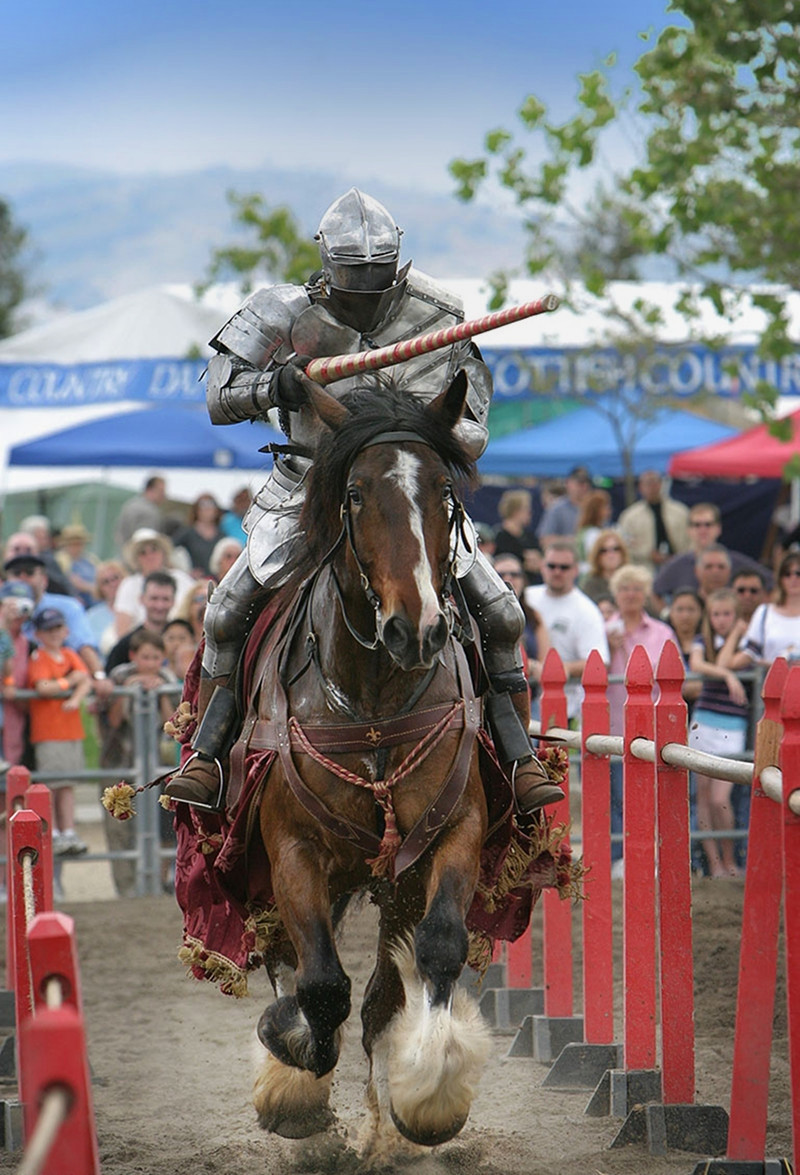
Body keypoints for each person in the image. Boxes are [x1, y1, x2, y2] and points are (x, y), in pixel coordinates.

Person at [165, 187, 561, 815]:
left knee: (501, 613)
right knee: (227, 611)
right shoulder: (279, 310)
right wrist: (276, 383)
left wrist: (413, 430)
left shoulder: (439, 312)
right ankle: (209, 759)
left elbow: (473, 427)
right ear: (329, 267)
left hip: (408, 490)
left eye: (379, 278)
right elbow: (219, 396)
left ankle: (517, 760)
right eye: (356, 279)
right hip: (307, 487)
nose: (368, 293)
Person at [604, 564, 678, 874]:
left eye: (636, 588)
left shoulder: (662, 632)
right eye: (625, 588)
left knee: (650, 796)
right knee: (616, 798)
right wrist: (610, 649)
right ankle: (618, 857)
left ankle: (650, 854)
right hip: (614, 724)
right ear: (616, 594)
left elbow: (674, 672)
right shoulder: (605, 629)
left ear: (646, 593)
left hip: (653, 726)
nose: (631, 594)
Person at [99, 629, 179, 895]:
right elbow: (114, 720)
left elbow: (172, 725)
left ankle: (156, 884)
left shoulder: (168, 679)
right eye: (145, 657)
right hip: (119, 761)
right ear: (133, 656)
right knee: (119, 826)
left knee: (159, 825)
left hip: (157, 766)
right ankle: (127, 889)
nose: (151, 663)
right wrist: (128, 689)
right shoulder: (119, 676)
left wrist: (161, 693)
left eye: (156, 657)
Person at [689, 588, 749, 878]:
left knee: (719, 798)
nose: (721, 620)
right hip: (703, 722)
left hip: (732, 726)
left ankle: (729, 858)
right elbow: (697, 664)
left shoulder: (745, 643)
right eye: (716, 614)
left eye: (727, 614)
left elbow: (725, 661)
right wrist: (726, 675)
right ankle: (714, 864)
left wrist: (735, 634)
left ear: (736, 615)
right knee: (702, 797)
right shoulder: (702, 641)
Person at [26, 607, 92, 857]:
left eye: (58, 628)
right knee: (50, 786)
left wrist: (74, 698)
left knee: (66, 785)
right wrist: (68, 682)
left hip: (69, 730)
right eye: (48, 629)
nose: (54, 633)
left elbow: (84, 679)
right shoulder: (40, 657)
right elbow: (43, 686)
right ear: (39, 634)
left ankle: (68, 831)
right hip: (49, 731)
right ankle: (51, 831)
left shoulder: (69, 654)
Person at [524, 538, 610, 722]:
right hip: (523, 701)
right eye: (551, 566)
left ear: (576, 570)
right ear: (542, 566)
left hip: (566, 707)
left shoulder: (586, 610)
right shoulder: (528, 597)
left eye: (564, 567)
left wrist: (565, 668)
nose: (557, 572)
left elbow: (600, 661)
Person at [3, 553, 111, 695]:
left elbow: (84, 646)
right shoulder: (3, 614)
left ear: (44, 580)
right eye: (16, 573)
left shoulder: (68, 607)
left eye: (29, 572)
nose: (23, 578)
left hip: (52, 692)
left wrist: (99, 676)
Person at [652, 502, 773, 610]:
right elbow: (654, 592)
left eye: (708, 524)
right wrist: (667, 614)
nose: (703, 530)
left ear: (718, 528)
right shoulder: (677, 564)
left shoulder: (737, 561)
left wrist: (760, 613)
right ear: (689, 530)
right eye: (697, 525)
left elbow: (773, 584)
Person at [719, 549, 800, 671]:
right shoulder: (764, 613)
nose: (793, 578)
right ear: (780, 578)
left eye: (798, 573)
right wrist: (736, 632)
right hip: (774, 680)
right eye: (787, 574)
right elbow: (736, 660)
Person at [113, 529, 194, 640]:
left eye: (154, 550)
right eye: (143, 553)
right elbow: (123, 628)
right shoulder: (129, 585)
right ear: (136, 558)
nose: (150, 556)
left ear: (163, 553)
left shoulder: (181, 578)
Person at [493, 553, 551, 707]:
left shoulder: (533, 615)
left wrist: (535, 666)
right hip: (497, 699)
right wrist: (528, 665)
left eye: (515, 574)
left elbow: (545, 662)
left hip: (532, 697)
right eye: (501, 574)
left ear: (523, 580)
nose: (508, 578)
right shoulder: (480, 616)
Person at [616, 470, 691, 573]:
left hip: (678, 565)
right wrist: (647, 553)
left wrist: (680, 556)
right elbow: (624, 543)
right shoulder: (630, 517)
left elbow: (690, 539)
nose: (652, 487)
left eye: (655, 483)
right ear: (640, 487)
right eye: (648, 484)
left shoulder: (680, 512)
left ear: (661, 485)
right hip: (645, 568)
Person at [105, 570, 178, 675]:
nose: (159, 605)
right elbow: (110, 678)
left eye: (165, 599)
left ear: (174, 601)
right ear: (142, 599)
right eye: (154, 598)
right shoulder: (126, 645)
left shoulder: (182, 640)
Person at [492, 489, 542, 585]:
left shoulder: (530, 536)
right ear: (516, 511)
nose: (530, 513)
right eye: (527, 510)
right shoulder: (499, 537)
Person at [536, 466, 593, 544]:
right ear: (568, 483)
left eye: (587, 483)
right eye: (580, 483)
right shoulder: (556, 508)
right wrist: (572, 541)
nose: (584, 487)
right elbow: (544, 539)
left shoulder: (594, 508)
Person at [172, 494, 223, 577]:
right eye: (203, 505)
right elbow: (169, 550)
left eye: (211, 505)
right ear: (197, 510)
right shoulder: (187, 532)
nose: (207, 510)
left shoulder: (222, 536)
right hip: (193, 580)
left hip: (216, 580)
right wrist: (185, 572)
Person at [113, 475, 167, 550]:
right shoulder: (149, 512)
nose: (164, 495)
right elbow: (146, 541)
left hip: (124, 551)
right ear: (149, 489)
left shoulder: (130, 504)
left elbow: (118, 533)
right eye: (161, 491)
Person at [86, 560, 126, 659]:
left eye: (115, 578)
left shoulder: (139, 608)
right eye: (106, 582)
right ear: (100, 588)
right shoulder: (91, 616)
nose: (112, 584)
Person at [54, 522, 100, 608]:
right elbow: (72, 581)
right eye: (73, 544)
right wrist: (91, 588)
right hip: (76, 601)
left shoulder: (90, 559)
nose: (77, 547)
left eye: (80, 543)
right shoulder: (61, 560)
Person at [579, 530, 630, 604]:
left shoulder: (632, 582)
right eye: (604, 551)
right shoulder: (590, 585)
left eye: (616, 549)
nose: (611, 555)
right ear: (597, 556)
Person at [575, 489, 613, 575]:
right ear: (597, 510)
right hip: (590, 573)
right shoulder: (593, 533)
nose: (609, 510)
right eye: (605, 507)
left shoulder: (586, 530)